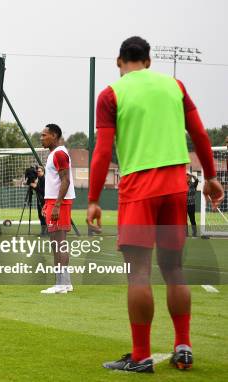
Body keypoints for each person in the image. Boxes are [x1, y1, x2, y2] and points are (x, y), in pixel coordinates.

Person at [87, 36, 223, 373]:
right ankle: (183, 346)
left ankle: (141, 355)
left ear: (120, 61)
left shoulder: (110, 94)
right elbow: (201, 135)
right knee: (174, 268)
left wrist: (92, 199)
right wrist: (210, 176)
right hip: (177, 185)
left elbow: (103, 151)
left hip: (138, 187)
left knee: (139, 273)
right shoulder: (174, 85)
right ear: (148, 60)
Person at [39, 124, 76, 294]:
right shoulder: (54, 154)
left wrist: (57, 205)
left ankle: (60, 284)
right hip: (53, 201)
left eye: (44, 135)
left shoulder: (60, 153)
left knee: (59, 243)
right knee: (56, 244)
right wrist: (48, 205)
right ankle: (65, 283)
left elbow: (66, 180)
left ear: (54, 136)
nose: (41, 138)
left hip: (59, 203)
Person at [29, 166, 47, 236]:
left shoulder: (44, 180)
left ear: (43, 172)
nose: (38, 173)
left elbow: (43, 191)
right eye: (37, 171)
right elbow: (38, 190)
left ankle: (47, 232)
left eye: (39, 171)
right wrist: (33, 186)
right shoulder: (38, 179)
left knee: (44, 216)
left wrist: (35, 186)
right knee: (40, 215)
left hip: (44, 200)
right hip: (39, 199)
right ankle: (43, 232)